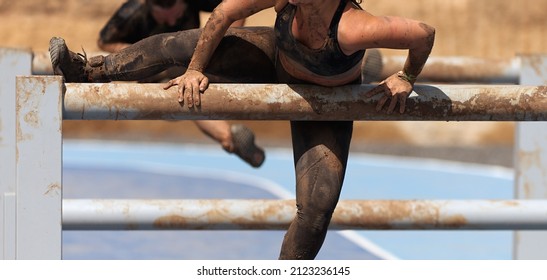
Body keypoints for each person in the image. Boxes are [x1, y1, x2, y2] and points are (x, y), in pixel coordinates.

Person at [49, 0, 434, 260]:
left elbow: (423, 33)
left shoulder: (354, 27)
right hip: (274, 58)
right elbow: (222, 14)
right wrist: (196, 69)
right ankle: (87, 70)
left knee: (317, 209)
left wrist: (407, 76)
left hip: (325, 102)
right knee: (178, 45)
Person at [97, 0, 264, 168]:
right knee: (187, 95)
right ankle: (228, 137)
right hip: (156, 73)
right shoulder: (133, 10)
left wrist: (231, 35)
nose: (171, 23)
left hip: (193, 63)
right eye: (164, 21)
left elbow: (232, 7)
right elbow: (104, 40)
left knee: (194, 89)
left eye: (177, 17)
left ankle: (229, 138)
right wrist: (139, 53)